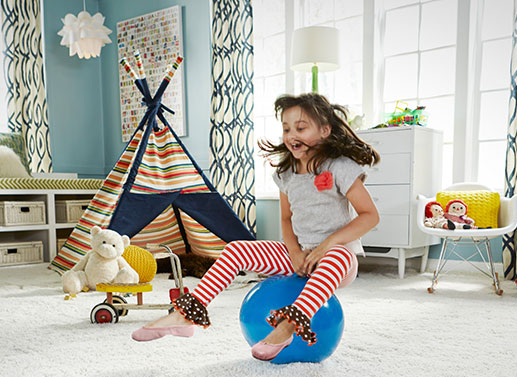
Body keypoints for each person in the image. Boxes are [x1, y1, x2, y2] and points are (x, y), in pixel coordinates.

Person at [131, 93, 380, 361]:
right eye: (286, 129)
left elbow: (370, 216)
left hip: (338, 257)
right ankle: (185, 315)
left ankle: (288, 326)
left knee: (337, 255)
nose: (291, 135)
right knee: (236, 250)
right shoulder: (285, 173)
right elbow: (286, 219)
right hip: (300, 256)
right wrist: (295, 253)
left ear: (324, 130)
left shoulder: (340, 167)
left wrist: (326, 246)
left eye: (300, 127)